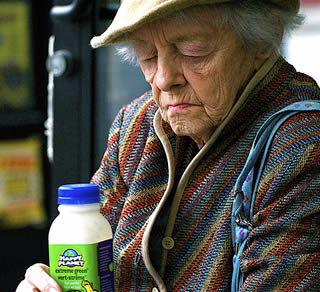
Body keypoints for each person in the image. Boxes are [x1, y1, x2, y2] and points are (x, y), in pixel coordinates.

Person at [17, 0, 320, 291]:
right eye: (147, 56)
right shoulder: (135, 126)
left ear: (262, 40)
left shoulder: (303, 146)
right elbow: (91, 262)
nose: (163, 79)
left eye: (192, 51)